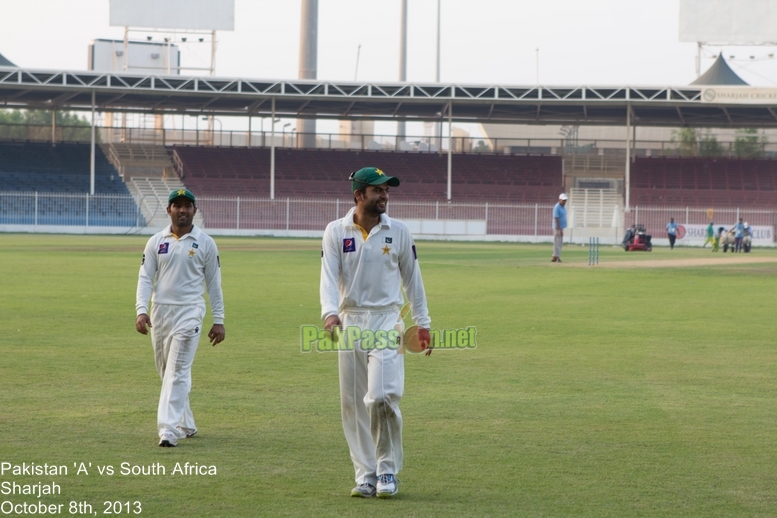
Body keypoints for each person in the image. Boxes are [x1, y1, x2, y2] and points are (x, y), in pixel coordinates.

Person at [320, 166, 432, 499]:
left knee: (383, 396)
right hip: (349, 320)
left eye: (387, 191)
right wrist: (329, 314)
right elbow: (327, 276)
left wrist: (422, 323)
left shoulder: (398, 231)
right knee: (353, 404)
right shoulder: (335, 231)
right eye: (378, 190)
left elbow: (413, 279)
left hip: (387, 321)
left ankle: (387, 470)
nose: (385, 196)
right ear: (359, 195)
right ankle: (365, 475)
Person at [135, 188, 225, 447]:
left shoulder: (206, 243)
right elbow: (145, 278)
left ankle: (168, 430)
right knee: (166, 371)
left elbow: (214, 284)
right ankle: (186, 423)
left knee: (177, 370)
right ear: (169, 210)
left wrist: (218, 319)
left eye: (187, 205)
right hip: (160, 312)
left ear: (195, 210)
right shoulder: (156, 241)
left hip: (190, 311)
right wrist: (141, 310)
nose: (182, 209)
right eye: (177, 205)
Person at [552, 193, 568, 262]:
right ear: (560, 199)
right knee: (557, 242)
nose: (564, 202)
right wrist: (559, 229)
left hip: (561, 227)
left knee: (560, 242)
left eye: (565, 200)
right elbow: (556, 218)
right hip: (557, 227)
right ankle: (557, 256)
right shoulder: (557, 207)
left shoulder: (563, 207)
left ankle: (555, 256)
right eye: (563, 200)